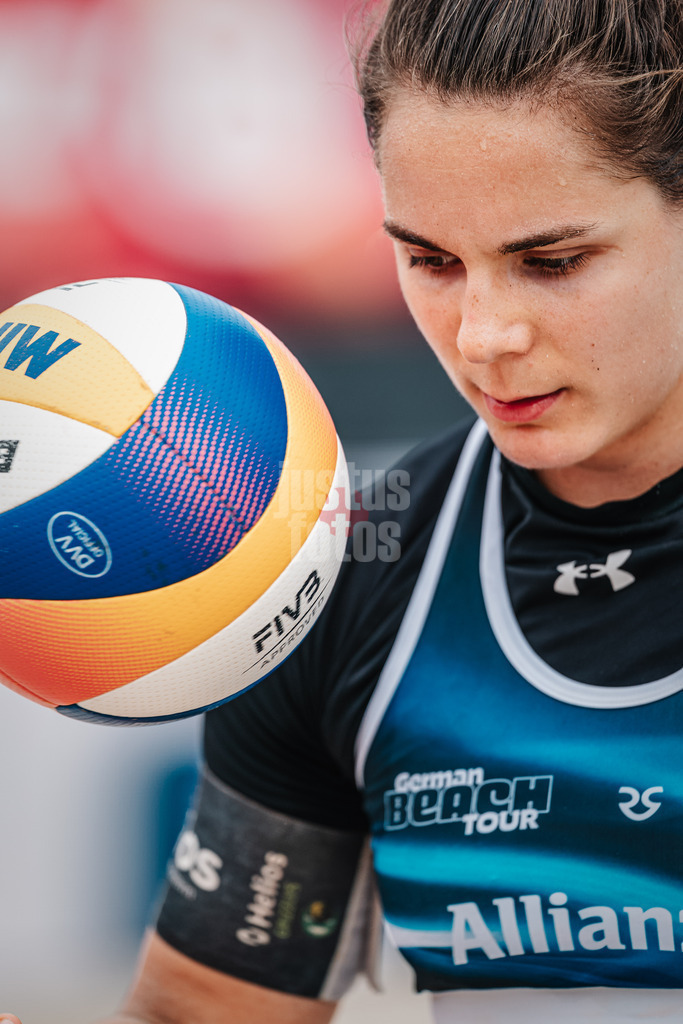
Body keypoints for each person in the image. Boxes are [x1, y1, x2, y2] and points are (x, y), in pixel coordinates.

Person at [4, 0, 683, 1020]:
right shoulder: (336, 566)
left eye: (551, 262)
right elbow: (206, 1012)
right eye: (430, 261)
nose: (483, 333)